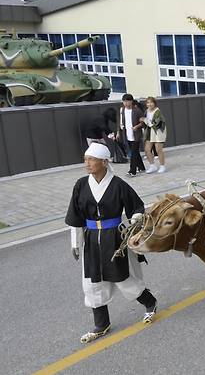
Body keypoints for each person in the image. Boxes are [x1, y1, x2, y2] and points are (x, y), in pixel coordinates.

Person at [65, 143, 157, 344]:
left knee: (123, 278)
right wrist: (75, 242)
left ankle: (150, 303)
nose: (86, 163)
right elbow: (75, 216)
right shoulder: (81, 185)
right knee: (92, 281)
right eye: (85, 159)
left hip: (114, 238)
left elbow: (137, 207)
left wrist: (134, 221)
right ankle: (101, 324)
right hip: (91, 240)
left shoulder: (118, 185)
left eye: (91, 159)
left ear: (104, 162)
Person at [119, 94, 146, 177]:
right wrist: (119, 131)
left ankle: (132, 171)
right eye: (124, 101)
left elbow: (143, 122)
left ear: (131, 101)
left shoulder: (137, 110)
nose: (126, 103)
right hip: (127, 135)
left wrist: (137, 127)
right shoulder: (122, 110)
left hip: (136, 135)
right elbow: (120, 122)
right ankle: (141, 167)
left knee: (133, 153)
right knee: (135, 152)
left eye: (127, 101)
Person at [140, 96, 167, 174]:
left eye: (151, 102)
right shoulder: (147, 111)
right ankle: (152, 166)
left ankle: (162, 166)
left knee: (158, 149)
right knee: (147, 149)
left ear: (154, 103)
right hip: (150, 132)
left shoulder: (158, 111)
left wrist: (144, 120)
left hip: (158, 132)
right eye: (148, 102)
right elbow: (146, 122)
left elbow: (156, 124)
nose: (149, 104)